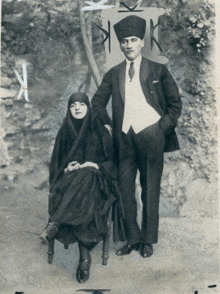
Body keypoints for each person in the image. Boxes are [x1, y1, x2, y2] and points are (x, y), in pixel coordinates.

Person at [91, 15, 182, 258]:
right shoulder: (114, 73)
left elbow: (175, 103)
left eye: (133, 40)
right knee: (125, 189)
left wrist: (162, 127)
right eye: (124, 41)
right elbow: (97, 102)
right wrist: (108, 125)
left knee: (150, 189)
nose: (129, 45)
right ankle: (132, 238)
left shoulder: (158, 70)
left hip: (152, 135)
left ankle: (148, 241)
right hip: (124, 139)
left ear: (142, 42)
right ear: (120, 45)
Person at [39, 92, 118, 283]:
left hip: (98, 181)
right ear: (69, 109)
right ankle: (84, 257)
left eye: (81, 105)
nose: (77, 108)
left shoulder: (99, 130)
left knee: (87, 176)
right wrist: (67, 167)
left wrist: (94, 165)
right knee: (81, 183)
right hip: (70, 182)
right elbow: (56, 165)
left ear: (88, 107)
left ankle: (55, 222)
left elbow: (113, 163)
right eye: (73, 105)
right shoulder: (65, 131)